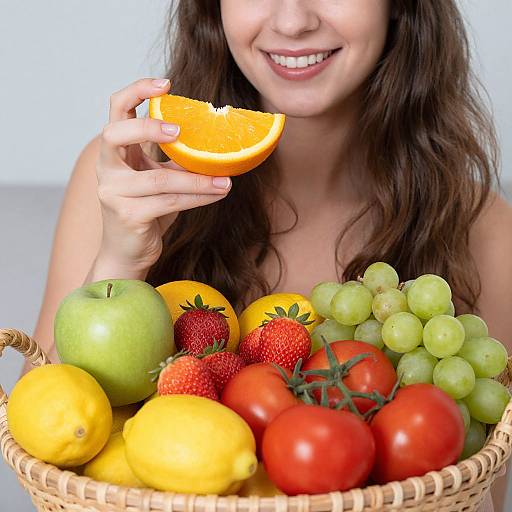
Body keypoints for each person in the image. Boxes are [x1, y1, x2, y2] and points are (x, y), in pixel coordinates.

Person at [26, 1, 511, 509]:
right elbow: (45, 451)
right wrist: (121, 261)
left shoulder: (485, 227)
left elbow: (478, 497)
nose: (292, 21)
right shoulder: (128, 179)